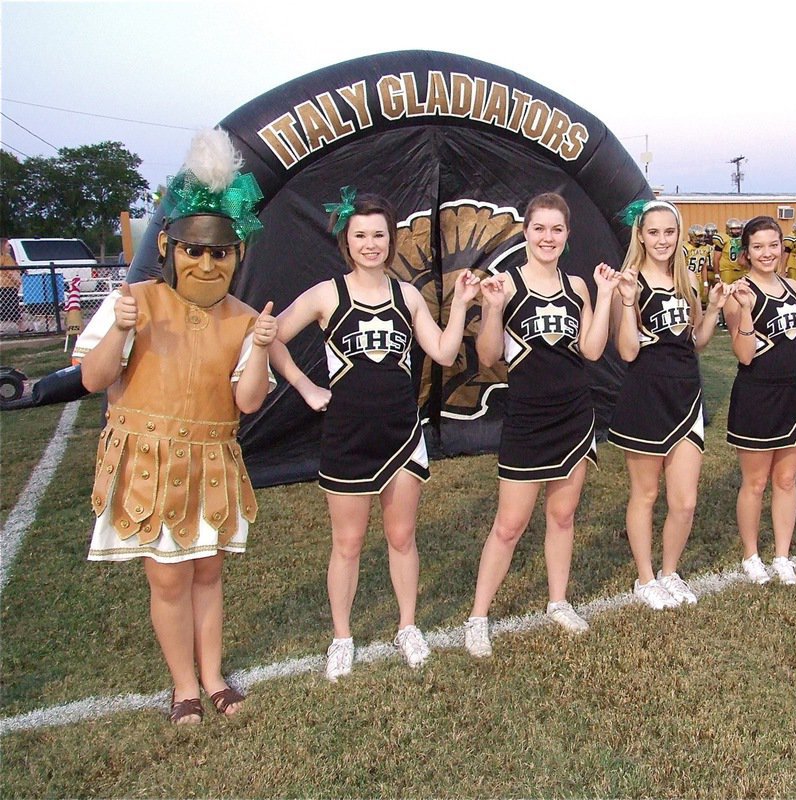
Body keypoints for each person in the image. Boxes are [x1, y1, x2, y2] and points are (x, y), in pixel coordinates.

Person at [74, 129, 273, 724]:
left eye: (220, 253)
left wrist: (260, 347)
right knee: (167, 581)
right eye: (194, 250)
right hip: (150, 462)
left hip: (212, 458)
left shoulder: (242, 318)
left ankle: (212, 675)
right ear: (167, 245)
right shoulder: (133, 299)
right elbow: (92, 381)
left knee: (208, 573)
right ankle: (183, 684)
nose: (206, 262)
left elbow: (249, 400)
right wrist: (119, 328)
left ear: (237, 255)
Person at [266, 189, 480, 680]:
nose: (370, 244)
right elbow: (270, 335)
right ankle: (342, 636)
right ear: (347, 240)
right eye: (360, 235)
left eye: (378, 235)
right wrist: (304, 386)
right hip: (347, 435)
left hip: (402, 434)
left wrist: (464, 303)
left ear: (391, 239)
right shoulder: (326, 294)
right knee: (348, 542)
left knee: (402, 537)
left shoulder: (406, 296)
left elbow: (444, 354)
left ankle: (407, 626)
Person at [464, 192, 621, 657]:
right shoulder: (506, 286)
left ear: (567, 235)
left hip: (575, 413)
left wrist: (608, 295)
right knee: (509, 525)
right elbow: (489, 357)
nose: (547, 237)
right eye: (539, 228)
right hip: (528, 417)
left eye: (556, 229)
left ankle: (557, 601)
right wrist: (491, 310)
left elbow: (592, 351)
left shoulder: (577, 287)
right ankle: (477, 617)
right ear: (526, 232)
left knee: (563, 515)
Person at [608, 200, 726, 608]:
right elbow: (625, 351)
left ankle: (669, 571)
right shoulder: (630, 282)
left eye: (669, 232)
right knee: (645, 494)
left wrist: (712, 310)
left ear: (678, 235)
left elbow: (693, 342)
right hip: (646, 396)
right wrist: (625, 302)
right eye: (654, 232)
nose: (662, 239)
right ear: (640, 235)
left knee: (686, 500)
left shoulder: (687, 279)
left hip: (686, 395)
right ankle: (645, 578)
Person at [724, 216, 796, 585]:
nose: (766, 252)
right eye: (758, 246)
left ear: (782, 246)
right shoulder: (738, 291)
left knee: (786, 479)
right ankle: (751, 555)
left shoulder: (791, 285)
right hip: (758, 393)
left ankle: (783, 555)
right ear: (746, 252)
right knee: (755, 482)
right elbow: (744, 354)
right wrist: (744, 311)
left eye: (773, 244)